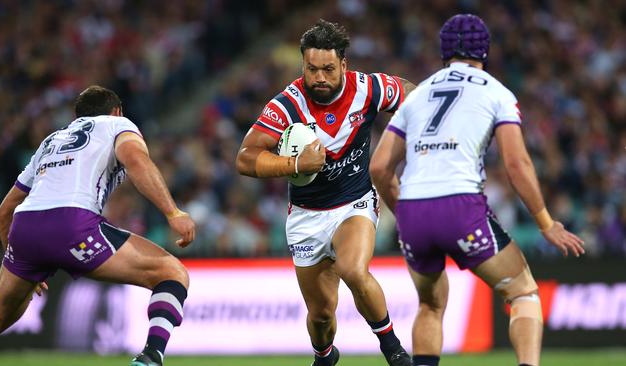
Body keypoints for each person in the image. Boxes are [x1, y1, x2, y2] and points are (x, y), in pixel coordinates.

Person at [370, 14, 585, 366]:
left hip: (412, 210)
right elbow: (517, 165)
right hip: (460, 206)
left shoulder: (418, 94)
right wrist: (547, 223)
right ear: (485, 51)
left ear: (443, 52)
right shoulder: (495, 91)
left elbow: (379, 167)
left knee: (430, 305)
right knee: (524, 293)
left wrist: (404, 211)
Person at [236, 19, 414, 366]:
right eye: (311, 69)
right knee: (320, 316)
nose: (319, 77)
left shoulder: (368, 89)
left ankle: (393, 350)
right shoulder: (287, 104)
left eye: (328, 69)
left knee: (353, 270)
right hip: (305, 215)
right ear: (302, 64)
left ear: (343, 65)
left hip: (355, 203)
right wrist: (296, 164)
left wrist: (418, 130)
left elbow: (409, 92)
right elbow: (245, 159)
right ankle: (324, 355)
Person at [0, 86, 195, 366]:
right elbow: (137, 160)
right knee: (172, 272)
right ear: (116, 111)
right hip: (72, 225)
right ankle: (151, 357)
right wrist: (172, 211)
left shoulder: (51, 141)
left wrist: (19, 259)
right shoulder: (117, 124)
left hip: (24, 227)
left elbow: (4, 211)